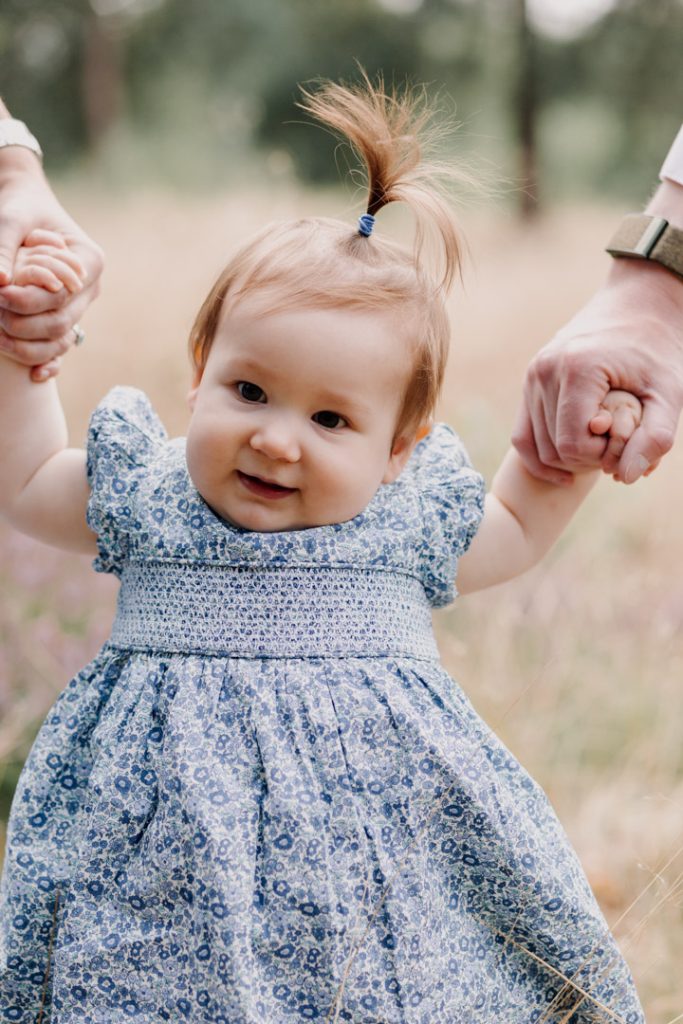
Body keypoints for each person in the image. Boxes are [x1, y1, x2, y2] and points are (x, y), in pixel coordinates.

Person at [0, 75, 646, 1023]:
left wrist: (578, 449)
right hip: (158, 871)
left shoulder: (399, 523)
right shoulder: (148, 492)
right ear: (199, 377)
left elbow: (510, 529)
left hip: (372, 867)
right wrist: (23, 354)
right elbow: (23, 483)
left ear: (397, 452)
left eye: (331, 418)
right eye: (249, 392)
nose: (275, 439)